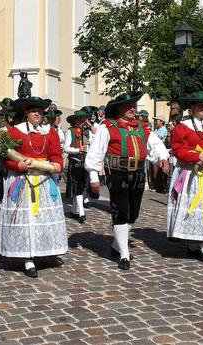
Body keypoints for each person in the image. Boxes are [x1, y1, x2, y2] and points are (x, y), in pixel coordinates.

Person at [85, 91, 169, 270]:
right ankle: (124, 255)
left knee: (133, 214)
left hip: (138, 173)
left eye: (134, 105)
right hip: (117, 174)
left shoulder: (141, 128)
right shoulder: (107, 127)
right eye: (128, 106)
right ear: (118, 109)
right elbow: (96, 152)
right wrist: (93, 177)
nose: (132, 108)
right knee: (121, 212)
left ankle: (117, 244)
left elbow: (155, 145)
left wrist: (162, 157)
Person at [0, 97, 67, 278]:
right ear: (26, 113)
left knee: (41, 217)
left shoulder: (49, 132)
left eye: (40, 112)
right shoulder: (15, 132)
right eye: (33, 111)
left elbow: (56, 153)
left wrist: (57, 164)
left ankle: (43, 249)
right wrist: (17, 166)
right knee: (25, 219)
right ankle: (27, 258)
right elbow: (5, 158)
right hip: (22, 179)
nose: (37, 114)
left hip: (44, 180)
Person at [167, 91, 203, 264]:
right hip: (190, 173)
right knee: (195, 207)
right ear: (191, 107)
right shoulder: (182, 127)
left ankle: (199, 243)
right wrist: (198, 157)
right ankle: (200, 244)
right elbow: (178, 151)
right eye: (199, 105)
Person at [64, 110, 91, 223]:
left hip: (85, 162)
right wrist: (78, 149)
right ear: (75, 121)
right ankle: (81, 213)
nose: (82, 122)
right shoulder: (70, 131)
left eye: (83, 119)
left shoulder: (86, 132)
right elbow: (66, 148)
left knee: (83, 185)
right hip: (75, 161)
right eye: (80, 119)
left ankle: (74, 211)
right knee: (77, 186)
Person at [149, 115, 169, 193]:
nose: (155, 122)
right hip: (154, 153)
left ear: (161, 121)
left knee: (159, 172)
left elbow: (157, 139)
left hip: (160, 153)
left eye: (157, 120)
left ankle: (160, 187)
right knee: (153, 171)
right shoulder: (156, 130)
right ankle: (155, 186)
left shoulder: (163, 130)